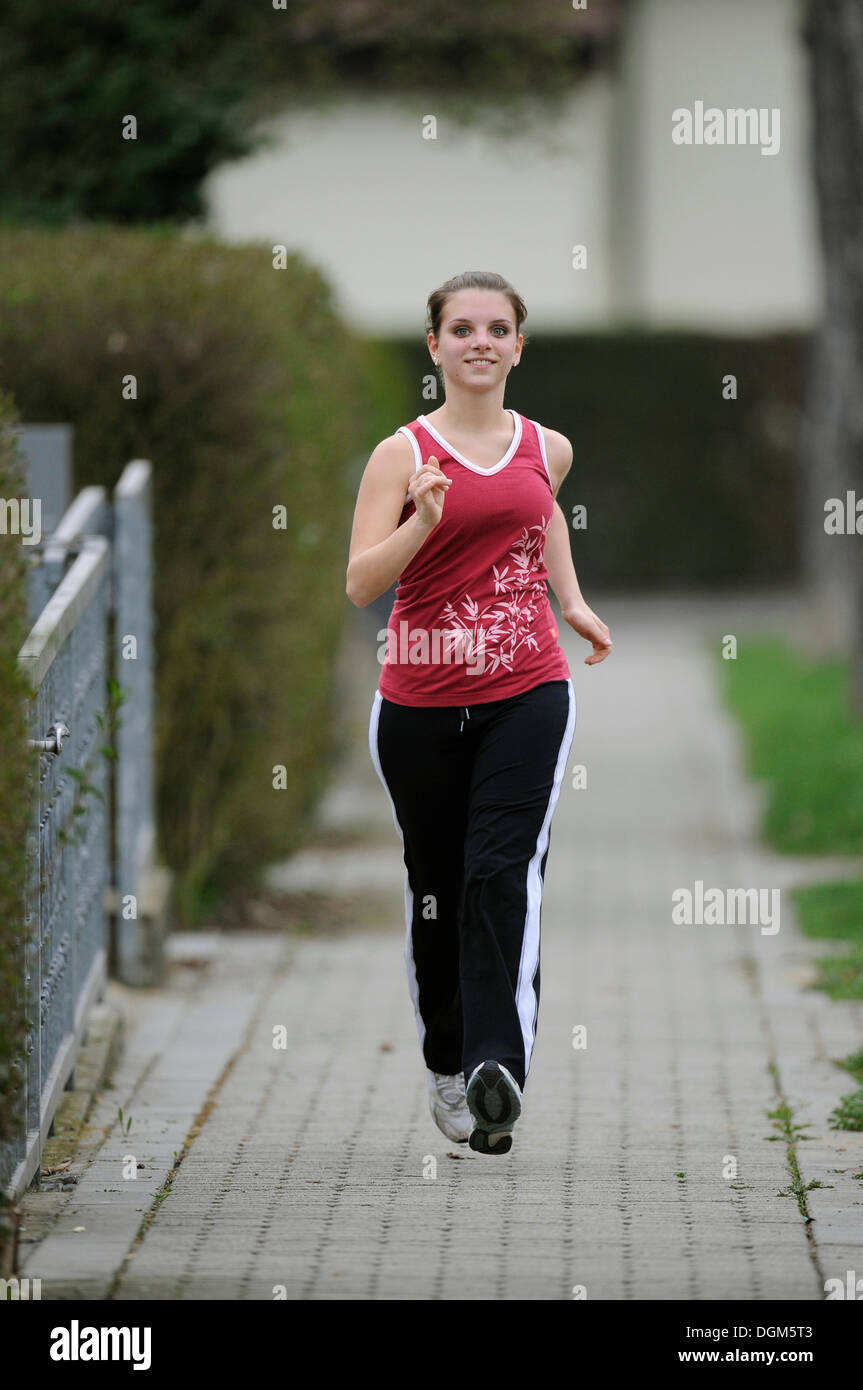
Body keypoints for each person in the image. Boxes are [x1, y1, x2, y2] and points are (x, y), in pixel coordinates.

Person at [346, 271, 612, 1155]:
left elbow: (543, 519)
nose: (480, 342)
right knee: (437, 891)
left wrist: (570, 602)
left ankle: (500, 1065)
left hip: (527, 690)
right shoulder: (401, 454)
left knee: (501, 874)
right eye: (461, 328)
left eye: (497, 328)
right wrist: (421, 520)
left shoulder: (548, 445)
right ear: (435, 347)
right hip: (417, 703)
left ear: (517, 346)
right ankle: (448, 1066)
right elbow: (358, 586)